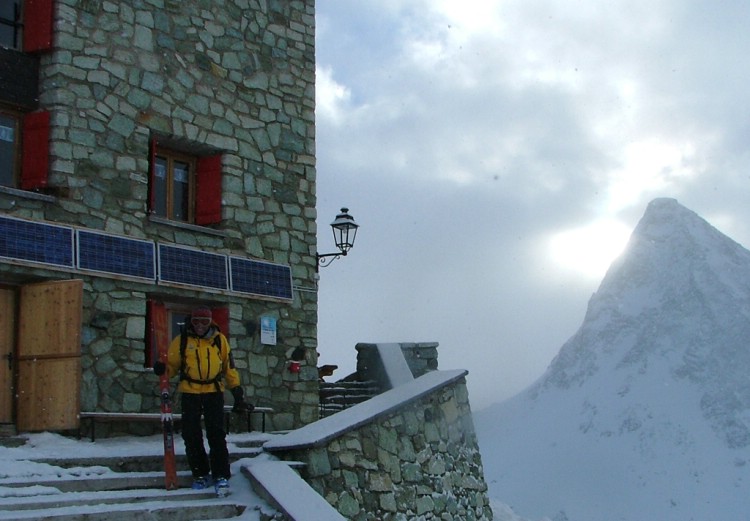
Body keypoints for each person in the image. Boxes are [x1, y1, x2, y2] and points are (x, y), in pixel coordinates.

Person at [153, 306, 248, 497]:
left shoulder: (219, 341)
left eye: (204, 322)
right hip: (190, 391)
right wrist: (162, 369)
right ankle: (200, 474)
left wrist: (236, 391)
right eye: (196, 321)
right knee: (191, 434)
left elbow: (229, 368)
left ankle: (221, 474)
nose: (199, 326)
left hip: (214, 391)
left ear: (210, 322)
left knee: (216, 433)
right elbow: (172, 366)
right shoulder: (182, 341)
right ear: (191, 322)